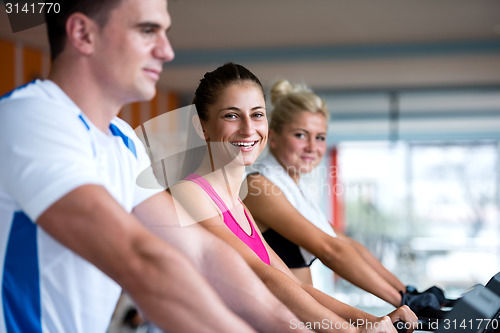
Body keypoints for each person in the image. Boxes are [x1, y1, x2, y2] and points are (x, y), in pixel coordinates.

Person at [0, 1, 308, 332]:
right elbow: (141, 260)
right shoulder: (29, 117)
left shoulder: (122, 140)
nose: (167, 51)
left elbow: (202, 254)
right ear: (82, 34)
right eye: (148, 30)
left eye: (165, 32)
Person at [169, 62, 419, 333]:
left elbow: (294, 285)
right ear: (201, 126)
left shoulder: (238, 206)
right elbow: (261, 276)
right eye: (231, 115)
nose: (248, 128)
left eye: (257, 115)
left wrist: (372, 320)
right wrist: (353, 331)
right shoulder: (189, 192)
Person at [242, 79, 452, 317]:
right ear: (274, 137)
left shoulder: (293, 188)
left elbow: (347, 244)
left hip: (301, 316)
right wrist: (401, 301)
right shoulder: (258, 185)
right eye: (301, 135)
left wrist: (407, 292)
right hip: (273, 318)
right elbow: (330, 250)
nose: (313, 147)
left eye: (320, 137)